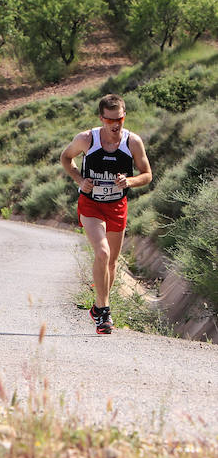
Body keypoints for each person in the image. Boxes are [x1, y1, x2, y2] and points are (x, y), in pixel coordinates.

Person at [60, 94, 152, 334]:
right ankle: (104, 311)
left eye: (119, 119)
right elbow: (65, 157)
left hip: (117, 206)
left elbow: (147, 174)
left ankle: (98, 308)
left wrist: (129, 181)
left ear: (124, 116)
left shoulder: (132, 142)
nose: (115, 124)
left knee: (111, 262)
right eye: (110, 120)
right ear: (101, 118)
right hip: (91, 205)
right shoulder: (87, 139)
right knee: (102, 252)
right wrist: (80, 180)